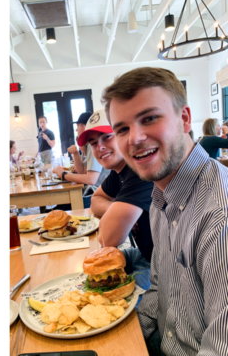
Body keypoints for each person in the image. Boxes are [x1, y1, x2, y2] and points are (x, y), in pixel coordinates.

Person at [103, 66, 228, 355]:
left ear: (184, 119)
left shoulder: (219, 216)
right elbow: (160, 292)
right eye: (122, 129)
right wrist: (116, 336)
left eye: (149, 118)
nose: (134, 138)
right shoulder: (160, 195)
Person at [77, 109, 154, 291]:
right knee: (88, 274)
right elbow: (95, 199)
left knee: (116, 306)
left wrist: (116, 217)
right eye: (93, 143)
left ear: (123, 135)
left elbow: (107, 238)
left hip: (162, 265)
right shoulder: (118, 172)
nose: (100, 147)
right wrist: (115, 210)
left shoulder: (138, 171)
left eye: (106, 137)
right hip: (143, 252)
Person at [53, 111, 110, 209]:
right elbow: (82, 172)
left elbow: (91, 180)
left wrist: (63, 174)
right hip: (95, 192)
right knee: (57, 207)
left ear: (84, 127)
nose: (76, 130)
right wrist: (75, 154)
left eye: (77, 126)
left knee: (57, 209)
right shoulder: (88, 145)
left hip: (96, 194)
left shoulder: (94, 146)